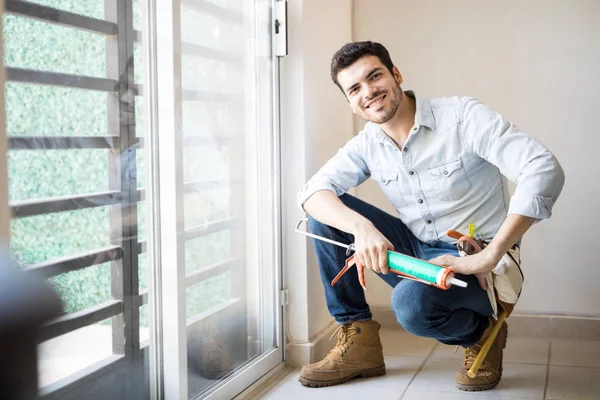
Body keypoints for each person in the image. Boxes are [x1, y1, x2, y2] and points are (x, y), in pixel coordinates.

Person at [296, 41, 564, 391]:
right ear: (350, 103)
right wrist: (361, 228)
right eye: (355, 89)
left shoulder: (461, 117)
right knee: (327, 216)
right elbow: (312, 193)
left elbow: (542, 168)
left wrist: (491, 254)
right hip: (419, 249)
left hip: (476, 258)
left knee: (408, 304)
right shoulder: (367, 143)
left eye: (374, 76)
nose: (369, 92)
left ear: (396, 74)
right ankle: (359, 341)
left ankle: (481, 334)